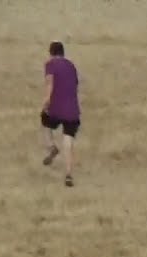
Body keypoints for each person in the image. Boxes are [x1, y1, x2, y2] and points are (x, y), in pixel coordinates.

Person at [41, 41, 81, 187]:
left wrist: (46, 102)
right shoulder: (71, 66)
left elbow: (50, 84)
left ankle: (52, 147)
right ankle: (69, 174)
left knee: (45, 121)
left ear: (51, 53)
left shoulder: (50, 65)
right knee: (68, 140)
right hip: (72, 109)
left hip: (56, 107)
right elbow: (75, 84)